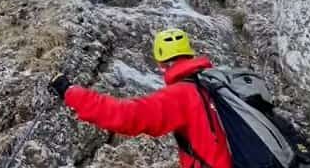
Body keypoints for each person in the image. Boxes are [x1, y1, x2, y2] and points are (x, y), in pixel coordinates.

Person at [50, 29, 232, 168]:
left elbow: (127, 116)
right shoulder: (222, 84)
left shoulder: (182, 95)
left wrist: (70, 91)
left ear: (161, 64)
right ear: (191, 55)